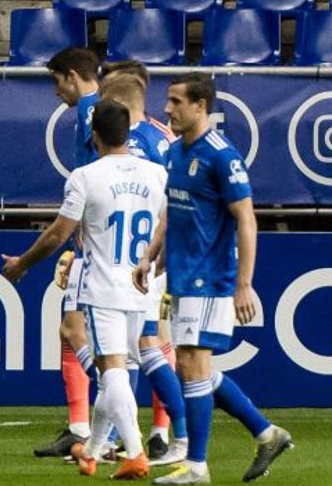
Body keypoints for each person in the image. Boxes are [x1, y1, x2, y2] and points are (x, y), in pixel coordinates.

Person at [134, 73, 293, 485]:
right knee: (193, 367)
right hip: (184, 273)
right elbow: (173, 206)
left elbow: (246, 218)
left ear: (200, 105)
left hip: (211, 275)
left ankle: (198, 467)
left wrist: (244, 283)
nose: (167, 108)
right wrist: (151, 253)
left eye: (175, 101)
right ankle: (266, 432)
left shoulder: (223, 156)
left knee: (191, 363)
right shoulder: (173, 152)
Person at [3, 99, 165, 480]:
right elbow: (168, 225)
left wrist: (23, 263)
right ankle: (92, 450)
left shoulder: (85, 176)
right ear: (129, 132)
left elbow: (60, 233)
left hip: (104, 288)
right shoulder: (158, 173)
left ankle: (136, 452)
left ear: (94, 135)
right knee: (119, 370)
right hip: (143, 286)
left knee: (112, 372)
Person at [100, 72, 188, 467]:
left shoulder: (129, 141)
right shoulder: (167, 141)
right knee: (148, 345)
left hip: (132, 262)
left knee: (141, 348)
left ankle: (161, 433)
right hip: (154, 259)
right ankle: (158, 433)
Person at [34, 46, 102, 459]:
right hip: (108, 242)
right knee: (146, 341)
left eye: (57, 82)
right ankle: (161, 432)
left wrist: (77, 242)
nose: (56, 92)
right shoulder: (105, 113)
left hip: (98, 247)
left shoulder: (90, 116)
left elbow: (99, 178)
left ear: (73, 76)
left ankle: (96, 426)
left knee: (76, 331)